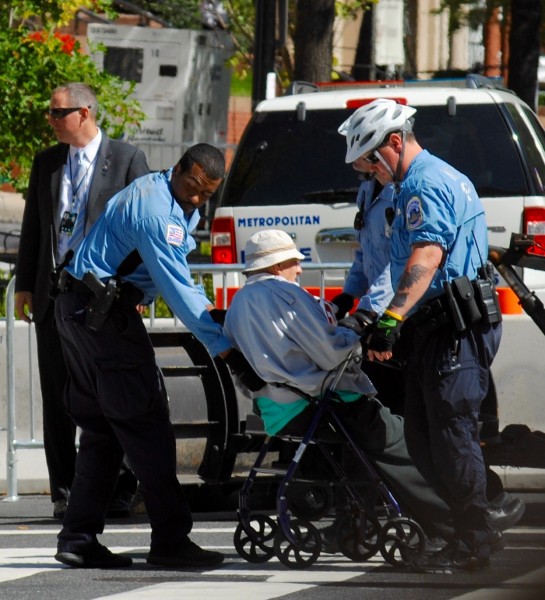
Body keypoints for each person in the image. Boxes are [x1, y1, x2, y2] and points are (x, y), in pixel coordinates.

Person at [51, 143, 256, 570]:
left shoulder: (157, 192)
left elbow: (165, 274)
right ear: (177, 168)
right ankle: (169, 540)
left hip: (79, 310)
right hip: (103, 318)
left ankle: (77, 538)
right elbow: (178, 288)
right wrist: (225, 347)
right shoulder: (158, 213)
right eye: (192, 186)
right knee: (148, 426)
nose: (197, 198)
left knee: (104, 431)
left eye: (207, 193)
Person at [332, 105, 525, 535]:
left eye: (371, 160)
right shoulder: (406, 185)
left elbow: (427, 255)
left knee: (450, 436)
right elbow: (386, 255)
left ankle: (474, 538)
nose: (369, 171)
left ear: (395, 143)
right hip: (433, 326)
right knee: (423, 441)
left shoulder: (426, 182)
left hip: (455, 326)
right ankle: (462, 530)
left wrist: (390, 317)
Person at [223, 229, 463, 549]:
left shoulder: (238, 304)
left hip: (278, 411)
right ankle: (452, 526)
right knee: (405, 441)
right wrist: (358, 334)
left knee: (363, 449)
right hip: (322, 403)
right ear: (278, 265)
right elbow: (330, 351)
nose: (299, 269)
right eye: (295, 262)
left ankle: (358, 527)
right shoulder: (287, 295)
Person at [14, 82, 147, 519]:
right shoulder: (47, 163)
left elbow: (143, 229)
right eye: (51, 113)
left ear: (84, 112)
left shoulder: (127, 160)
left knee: (113, 395)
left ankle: (121, 486)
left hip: (106, 300)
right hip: (54, 299)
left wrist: (140, 288)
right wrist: (24, 285)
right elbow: (35, 225)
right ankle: (64, 491)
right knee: (58, 397)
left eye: (57, 113)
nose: (50, 121)